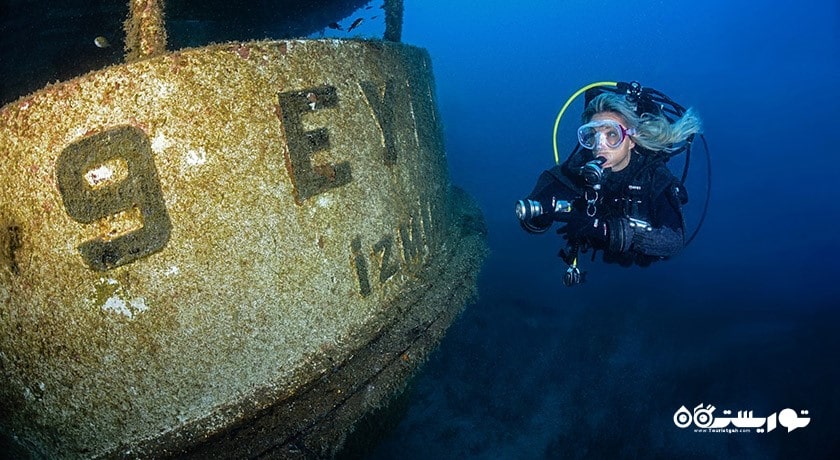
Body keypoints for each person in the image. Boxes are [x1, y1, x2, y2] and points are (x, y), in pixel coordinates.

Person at [517, 89, 703, 284]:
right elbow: (532, 218)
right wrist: (541, 211)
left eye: (612, 134)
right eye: (591, 135)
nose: (600, 145)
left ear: (631, 140)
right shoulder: (577, 168)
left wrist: (606, 230)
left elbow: (673, 241)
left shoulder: (653, 176)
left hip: (644, 279)